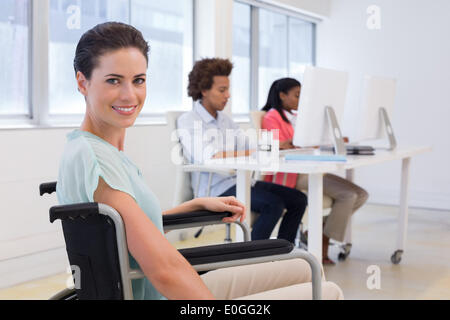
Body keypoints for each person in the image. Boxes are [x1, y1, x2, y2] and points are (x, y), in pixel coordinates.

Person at [56, 22, 343, 300]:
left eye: (139, 80)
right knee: (326, 291)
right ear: (83, 82)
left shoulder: (98, 151)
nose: (130, 94)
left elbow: (120, 226)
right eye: (113, 80)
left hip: (164, 283)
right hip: (161, 292)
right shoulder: (97, 160)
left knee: (305, 268)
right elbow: (165, 271)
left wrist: (190, 206)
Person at [177, 58, 307, 245]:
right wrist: (253, 152)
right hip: (216, 189)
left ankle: (283, 251)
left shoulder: (224, 120)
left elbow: (248, 145)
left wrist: (276, 146)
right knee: (274, 204)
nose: (228, 95)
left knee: (298, 199)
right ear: (204, 90)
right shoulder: (188, 120)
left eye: (228, 89)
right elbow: (210, 156)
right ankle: (250, 257)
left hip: (240, 181)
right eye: (222, 90)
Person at [261, 78, 369, 265]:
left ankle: (316, 232)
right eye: (297, 95)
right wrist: (293, 144)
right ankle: (323, 240)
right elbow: (278, 147)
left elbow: (306, 142)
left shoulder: (295, 117)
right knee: (348, 195)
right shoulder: (272, 117)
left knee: (360, 194)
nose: (300, 100)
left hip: (310, 167)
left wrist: (331, 140)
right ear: (282, 95)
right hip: (295, 173)